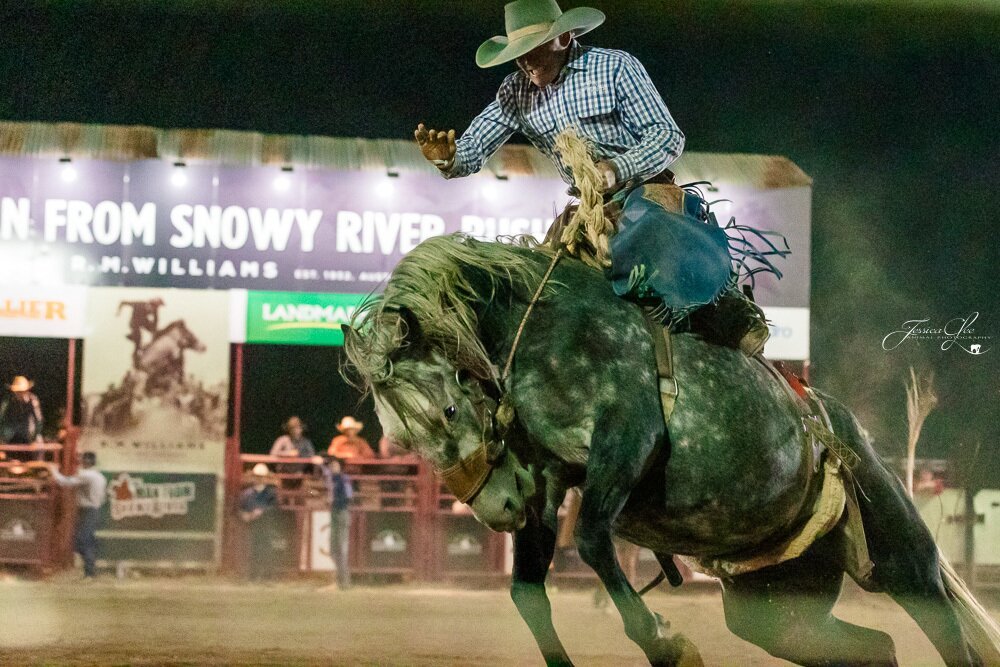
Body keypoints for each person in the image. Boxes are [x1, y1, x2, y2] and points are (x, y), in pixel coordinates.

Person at [415, 0, 775, 356]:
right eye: (518, 53)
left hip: (643, 189)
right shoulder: (515, 92)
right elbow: (475, 145)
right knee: (544, 282)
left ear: (565, 37)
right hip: (588, 211)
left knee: (654, 236)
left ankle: (730, 310)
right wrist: (450, 158)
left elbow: (667, 136)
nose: (524, 61)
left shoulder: (614, 68)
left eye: (533, 49)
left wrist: (615, 169)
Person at [48, 451, 107, 579]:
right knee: (86, 541)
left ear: (87, 462)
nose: (81, 462)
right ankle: (90, 572)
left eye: (83, 460)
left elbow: (64, 482)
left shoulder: (88, 475)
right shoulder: (99, 476)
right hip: (93, 510)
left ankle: (90, 572)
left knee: (81, 541)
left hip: (88, 510)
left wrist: (53, 471)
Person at [239, 463, 279, 581]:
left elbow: (275, 508)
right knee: (253, 550)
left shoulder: (271, 493)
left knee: (266, 550)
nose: (259, 478)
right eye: (257, 476)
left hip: (266, 525)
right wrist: (244, 515)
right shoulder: (246, 494)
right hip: (253, 525)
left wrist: (262, 511)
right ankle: (253, 576)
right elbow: (240, 509)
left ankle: (267, 577)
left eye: (261, 476)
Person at [319, 456, 353, 590]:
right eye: (331, 465)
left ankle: (343, 582)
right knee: (335, 548)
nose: (332, 468)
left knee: (340, 548)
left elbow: (348, 497)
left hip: (341, 512)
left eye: (335, 465)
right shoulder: (332, 479)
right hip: (336, 512)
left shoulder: (343, 479)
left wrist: (333, 501)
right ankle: (340, 580)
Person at [1, 376, 45, 460]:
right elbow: (1, 418)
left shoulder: (33, 400)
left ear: (27, 390)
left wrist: (35, 436)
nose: (19, 393)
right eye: (17, 391)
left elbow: (39, 420)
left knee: (40, 444)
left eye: (22, 391)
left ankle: (38, 467)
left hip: (27, 431)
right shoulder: (8, 401)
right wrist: (2, 436)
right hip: (11, 431)